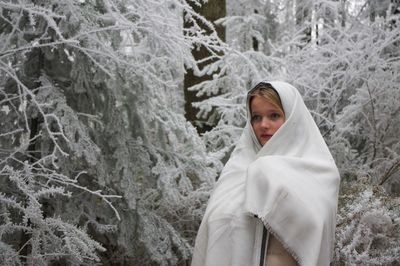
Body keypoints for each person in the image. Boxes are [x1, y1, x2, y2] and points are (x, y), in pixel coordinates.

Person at [191, 81, 340, 266]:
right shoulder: (237, 168)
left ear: (292, 118)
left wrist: (269, 175)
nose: (263, 125)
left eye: (274, 115)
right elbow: (214, 233)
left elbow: (315, 230)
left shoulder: (319, 170)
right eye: (256, 117)